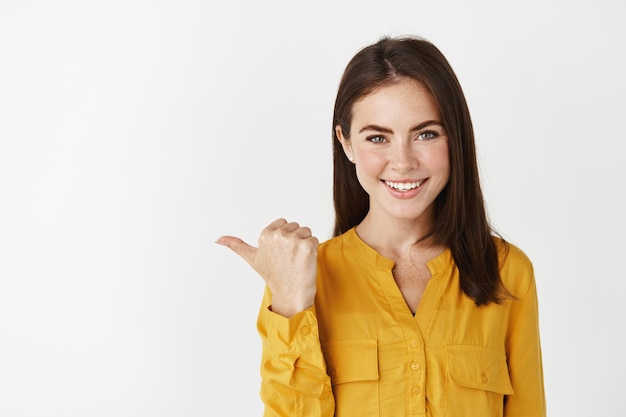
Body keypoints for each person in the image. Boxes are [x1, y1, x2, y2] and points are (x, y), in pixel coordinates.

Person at [216, 35, 545, 417]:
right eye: (377, 138)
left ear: (455, 137)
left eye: (426, 134)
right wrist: (290, 302)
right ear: (346, 143)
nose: (402, 162)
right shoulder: (303, 277)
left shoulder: (508, 271)